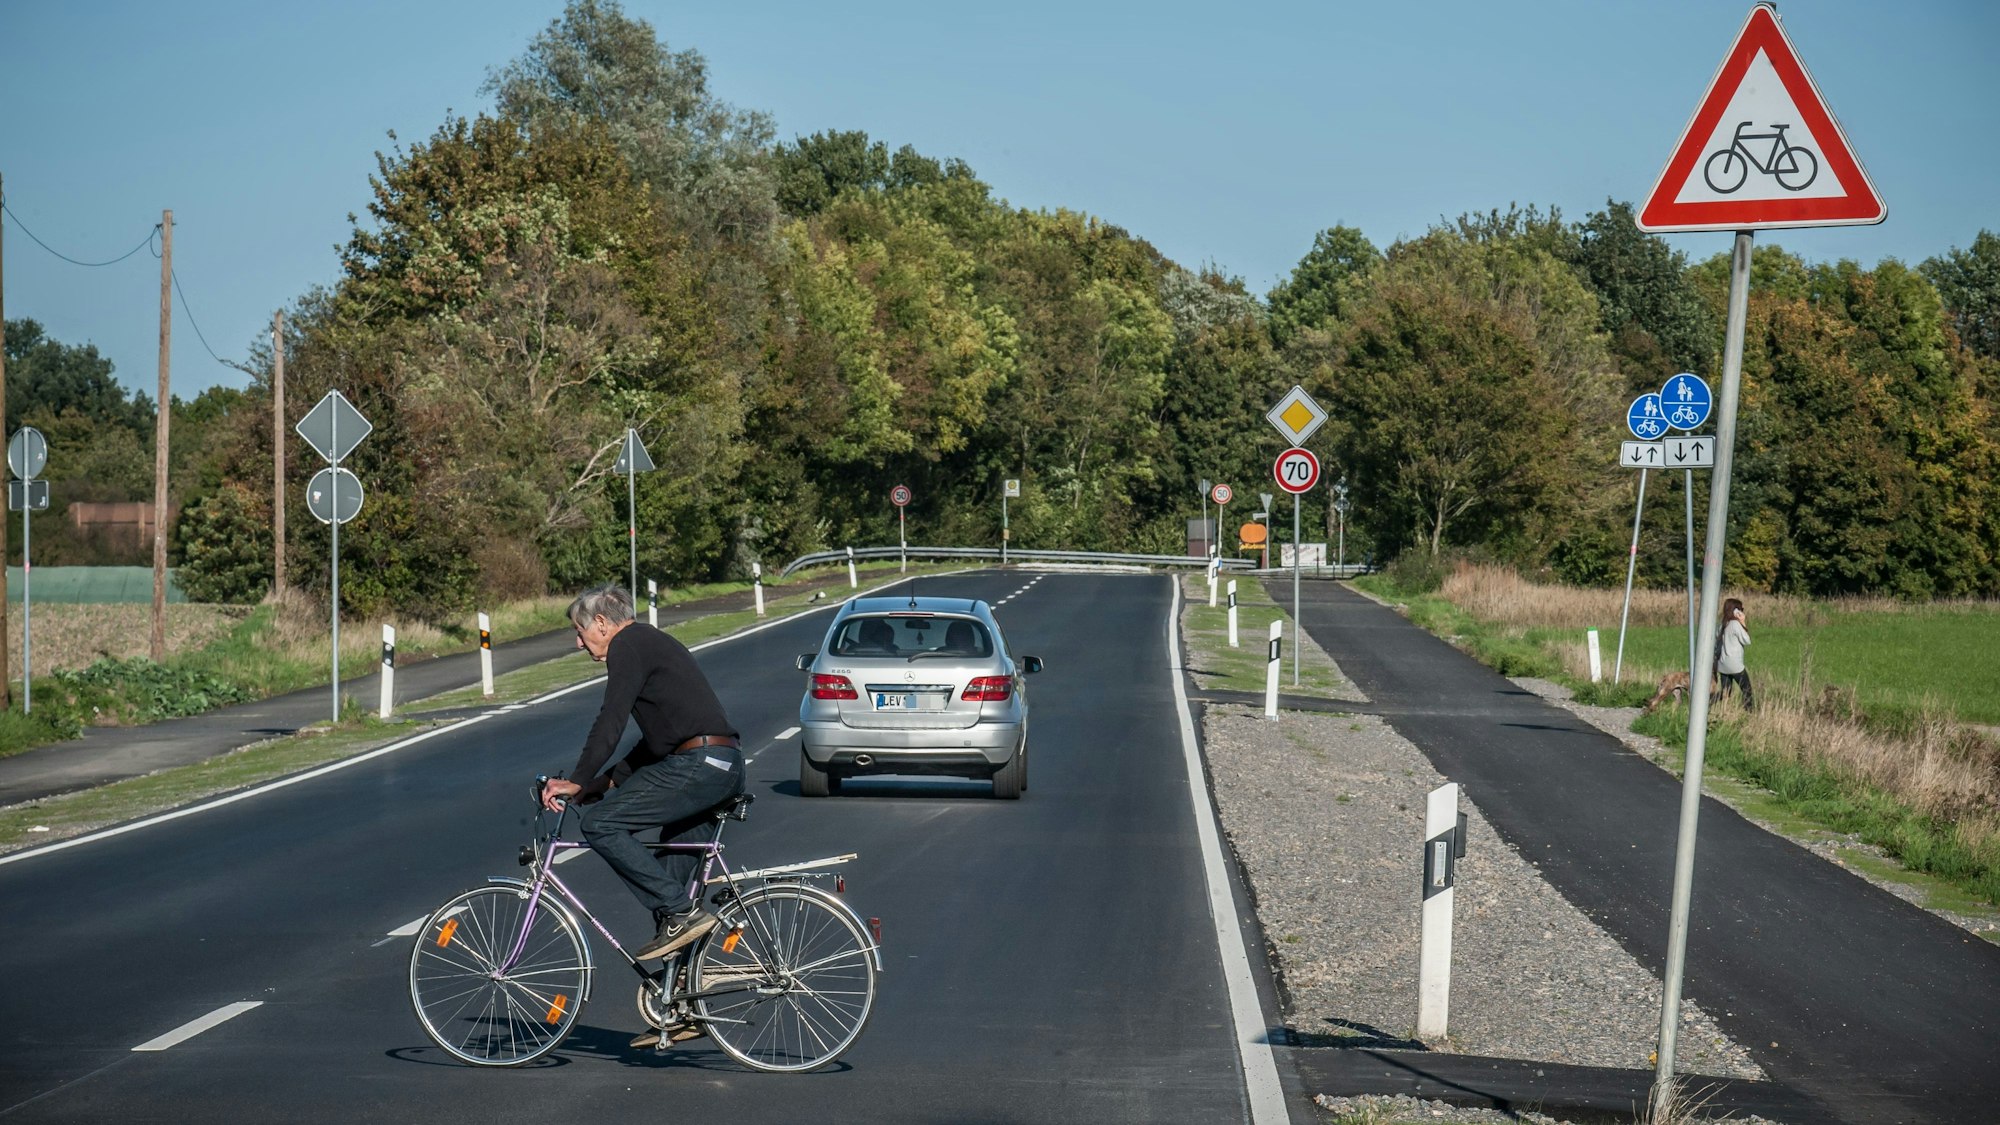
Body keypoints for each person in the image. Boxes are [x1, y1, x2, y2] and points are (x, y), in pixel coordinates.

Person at [540, 584, 745, 976]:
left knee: (600, 825)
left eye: (579, 633)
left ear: (600, 623)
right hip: (718, 764)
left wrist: (577, 779)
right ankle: (681, 1001)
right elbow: (656, 744)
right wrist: (596, 786)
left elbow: (611, 719)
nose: (578, 644)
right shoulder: (648, 643)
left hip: (701, 764)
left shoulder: (627, 645)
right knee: (666, 886)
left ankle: (684, 913)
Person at [1715, 597, 1753, 709]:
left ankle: (1712, 705)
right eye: (1741, 609)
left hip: (1722, 664)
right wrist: (1743, 622)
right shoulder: (1735, 625)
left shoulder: (1721, 625)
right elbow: (1747, 640)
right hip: (1735, 665)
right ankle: (1749, 712)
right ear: (1736, 611)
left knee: (1726, 693)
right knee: (1747, 690)